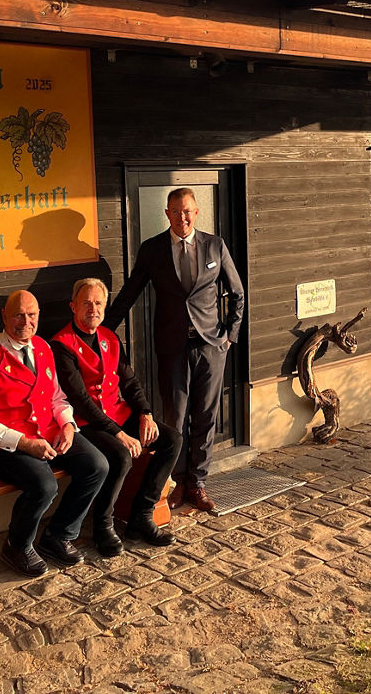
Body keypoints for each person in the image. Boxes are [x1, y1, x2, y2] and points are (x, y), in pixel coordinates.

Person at [105, 187, 245, 512]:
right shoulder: (152, 249)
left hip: (211, 346)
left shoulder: (215, 246)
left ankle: (198, 483)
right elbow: (130, 292)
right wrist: (103, 329)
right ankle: (178, 481)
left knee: (206, 416)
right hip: (172, 348)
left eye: (187, 211)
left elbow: (237, 293)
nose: (182, 217)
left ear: (196, 213)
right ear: (167, 214)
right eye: (176, 211)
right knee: (175, 418)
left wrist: (229, 337)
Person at [0, 290, 109, 578]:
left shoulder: (42, 347)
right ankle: (17, 546)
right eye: (18, 315)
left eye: (31, 315)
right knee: (44, 485)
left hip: (46, 433)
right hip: (0, 445)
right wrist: (24, 443)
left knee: (96, 465)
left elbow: (56, 397)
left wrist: (67, 425)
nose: (25, 322)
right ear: (4, 316)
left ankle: (58, 536)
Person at [51, 278, 180, 554]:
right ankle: (103, 525)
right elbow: (80, 400)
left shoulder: (110, 337)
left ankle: (141, 515)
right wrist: (119, 434)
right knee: (120, 456)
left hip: (118, 413)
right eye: (86, 303)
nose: (93, 309)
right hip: (86, 423)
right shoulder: (61, 345)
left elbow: (130, 382)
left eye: (98, 303)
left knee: (172, 440)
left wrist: (145, 413)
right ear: (73, 306)